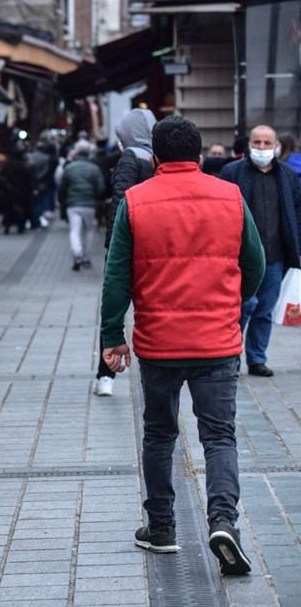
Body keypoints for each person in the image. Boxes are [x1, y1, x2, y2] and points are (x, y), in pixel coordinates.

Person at [100, 115, 264, 575]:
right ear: (197, 154)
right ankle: (223, 520)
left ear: (154, 157)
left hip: (158, 343)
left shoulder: (135, 200)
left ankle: (162, 527)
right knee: (219, 436)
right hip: (217, 341)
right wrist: (230, 302)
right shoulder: (230, 195)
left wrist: (112, 336)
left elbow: (116, 277)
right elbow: (254, 262)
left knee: (159, 434)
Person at [220, 125, 301, 377]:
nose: (262, 148)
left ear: (276, 146)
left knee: (265, 309)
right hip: (241, 257)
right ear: (248, 145)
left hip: (276, 255)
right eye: (257, 143)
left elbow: (296, 212)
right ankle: (231, 354)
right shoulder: (232, 172)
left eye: (267, 143)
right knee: (242, 306)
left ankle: (257, 358)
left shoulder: (287, 175)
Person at [94, 107, 157, 397]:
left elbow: (120, 202)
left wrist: (113, 245)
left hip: (127, 244)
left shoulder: (129, 159)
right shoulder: (158, 157)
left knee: (114, 308)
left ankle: (106, 374)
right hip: (155, 245)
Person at [59, 140, 106, 271]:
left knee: (75, 230)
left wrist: (63, 199)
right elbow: (101, 187)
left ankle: (77, 254)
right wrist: (95, 197)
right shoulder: (94, 169)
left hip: (72, 204)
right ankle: (86, 257)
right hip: (89, 204)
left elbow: (62, 188)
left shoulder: (69, 168)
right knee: (89, 230)